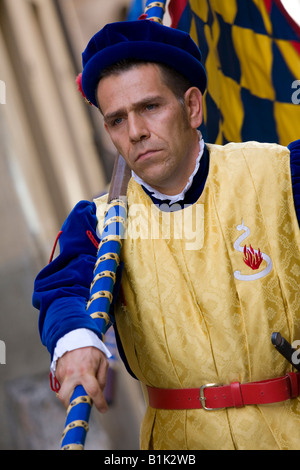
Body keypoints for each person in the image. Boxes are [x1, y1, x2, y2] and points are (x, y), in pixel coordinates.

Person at [33, 19, 300, 450]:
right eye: (117, 119)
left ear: (192, 106)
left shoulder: (283, 172)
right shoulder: (96, 223)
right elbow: (63, 289)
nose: (135, 131)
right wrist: (75, 343)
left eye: (150, 107)